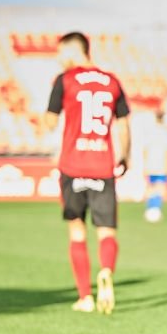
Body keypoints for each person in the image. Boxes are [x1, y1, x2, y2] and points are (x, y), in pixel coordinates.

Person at [44, 32, 131, 315]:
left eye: (60, 53)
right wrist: (124, 156)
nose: (59, 59)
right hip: (102, 167)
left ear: (73, 50)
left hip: (72, 166)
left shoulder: (64, 80)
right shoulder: (112, 81)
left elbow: (49, 121)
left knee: (77, 231)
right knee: (106, 230)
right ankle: (105, 270)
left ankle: (85, 297)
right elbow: (124, 125)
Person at [143, 110, 167, 223]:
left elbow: (145, 150)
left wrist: (145, 165)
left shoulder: (150, 131)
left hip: (151, 165)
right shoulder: (166, 132)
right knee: (159, 188)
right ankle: (155, 210)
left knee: (151, 188)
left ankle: (151, 209)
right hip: (161, 165)